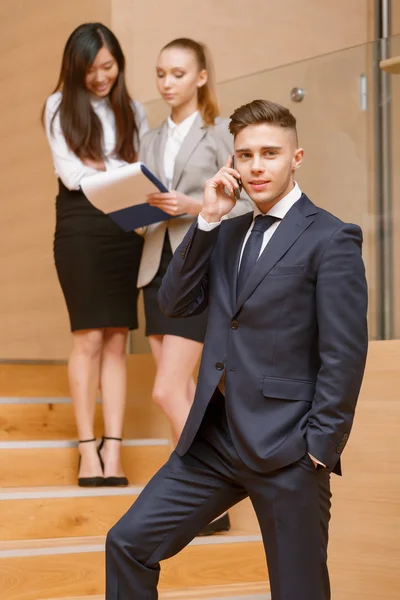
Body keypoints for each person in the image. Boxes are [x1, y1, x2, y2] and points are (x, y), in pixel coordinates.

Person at [105, 99, 368, 599]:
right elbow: (175, 303)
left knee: (299, 591)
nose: (256, 165)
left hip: (289, 447)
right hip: (216, 441)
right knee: (128, 543)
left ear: (297, 157)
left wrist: (318, 449)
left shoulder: (332, 238)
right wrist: (205, 219)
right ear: (233, 163)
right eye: (245, 155)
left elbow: (344, 353)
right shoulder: (224, 233)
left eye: (270, 153)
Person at [138, 38, 252, 534]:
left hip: (198, 267)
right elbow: (145, 207)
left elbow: (247, 206)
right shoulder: (148, 137)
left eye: (178, 74)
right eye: (162, 73)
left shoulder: (221, 135)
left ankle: (212, 491)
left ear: (201, 77)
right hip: (153, 266)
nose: (167, 83)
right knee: (180, 388)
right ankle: (198, 503)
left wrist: (191, 206)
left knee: (168, 390)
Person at [43, 23, 148, 487]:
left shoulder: (134, 111)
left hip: (126, 224)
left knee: (116, 342)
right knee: (87, 337)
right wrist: (117, 170)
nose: (102, 76)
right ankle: (88, 450)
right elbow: (70, 176)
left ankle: (114, 448)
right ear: (75, 69)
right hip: (82, 225)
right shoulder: (58, 105)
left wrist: (104, 169)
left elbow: (142, 170)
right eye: (91, 69)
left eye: (109, 66)